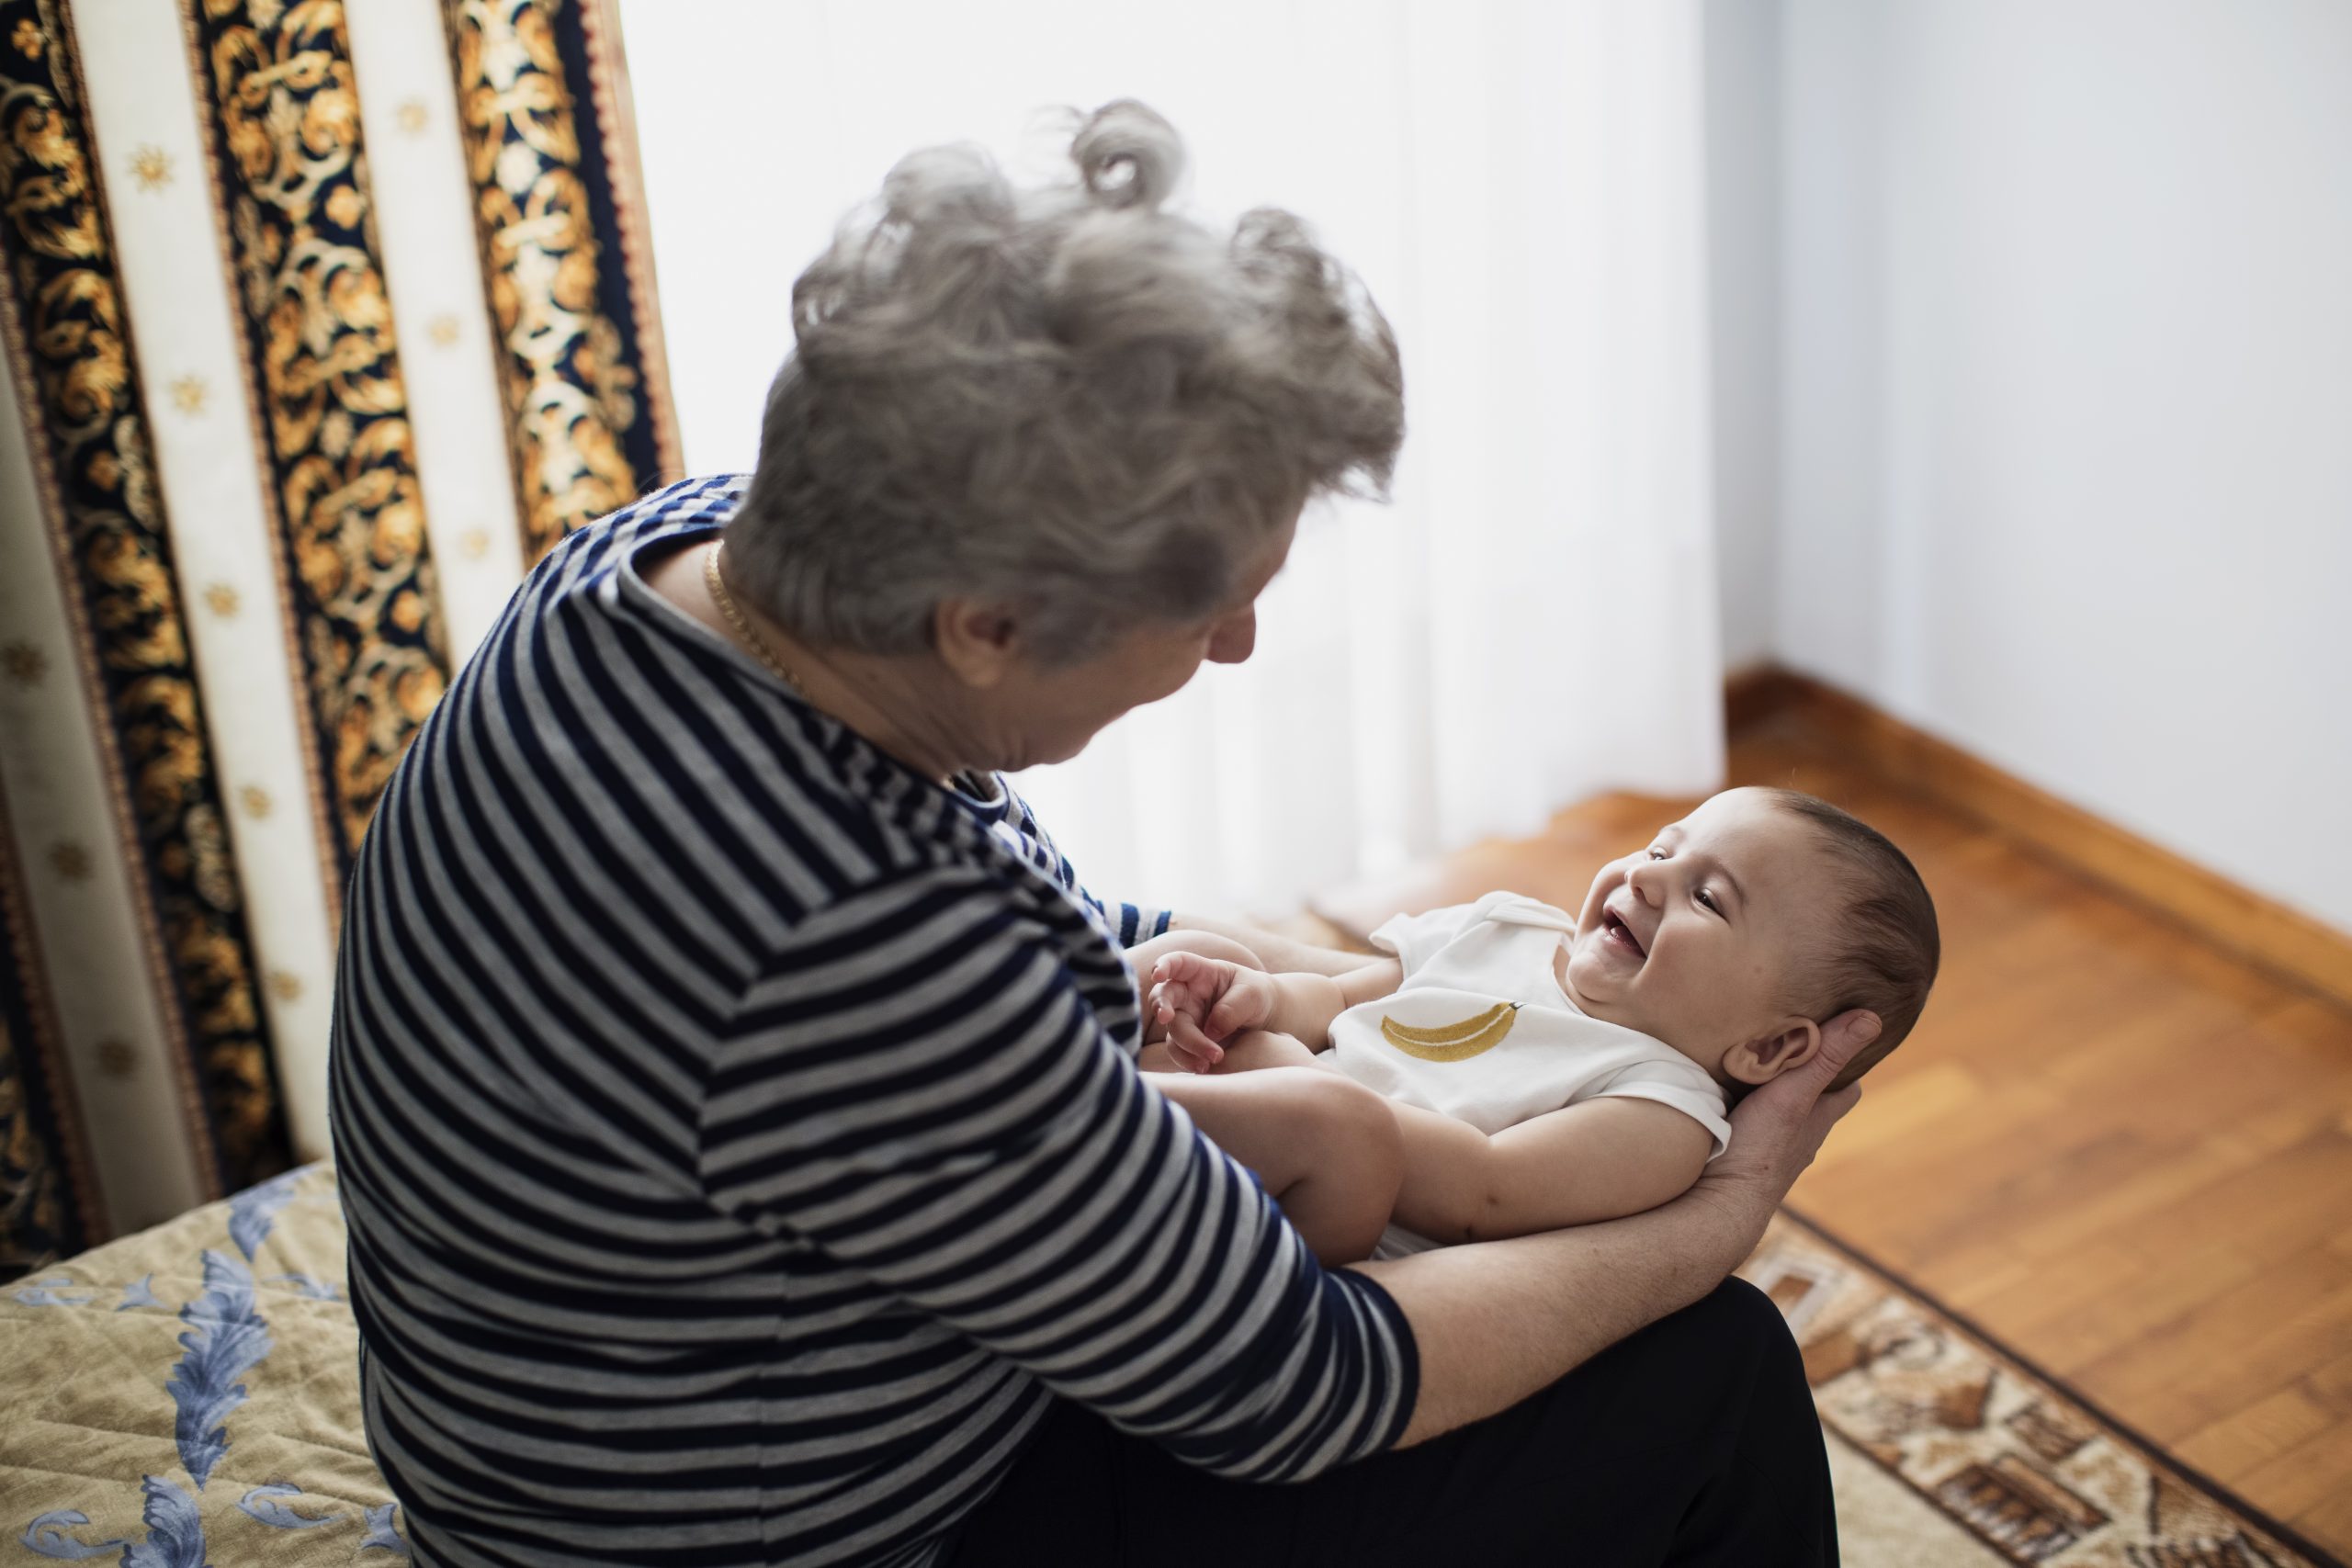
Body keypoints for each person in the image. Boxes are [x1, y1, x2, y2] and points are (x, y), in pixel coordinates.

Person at [328, 100, 1877, 1568]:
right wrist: (1727, 1207)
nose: (1241, 646)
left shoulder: (670, 559)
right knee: (1712, 1370)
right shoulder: (861, 946)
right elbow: (1309, 1388)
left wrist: (1269, 982)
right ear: (988, 625)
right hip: (802, 1529)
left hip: (564, 1423)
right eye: (1211, 606)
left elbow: (991, 934)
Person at [1132, 787, 1939, 1264]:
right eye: (1662, 848)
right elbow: (1349, 999)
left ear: (1769, 1046)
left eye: (1709, 897)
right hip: (1279, 1106)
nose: (1649, 878)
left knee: (1335, 1126)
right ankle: (1073, 1080)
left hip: (1335, 1220)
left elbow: (1484, 1188)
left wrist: (1287, 1075)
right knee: (1201, 952)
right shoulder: (1509, 928)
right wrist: (1264, 1003)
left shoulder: (1661, 1107)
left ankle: (1115, 1120)